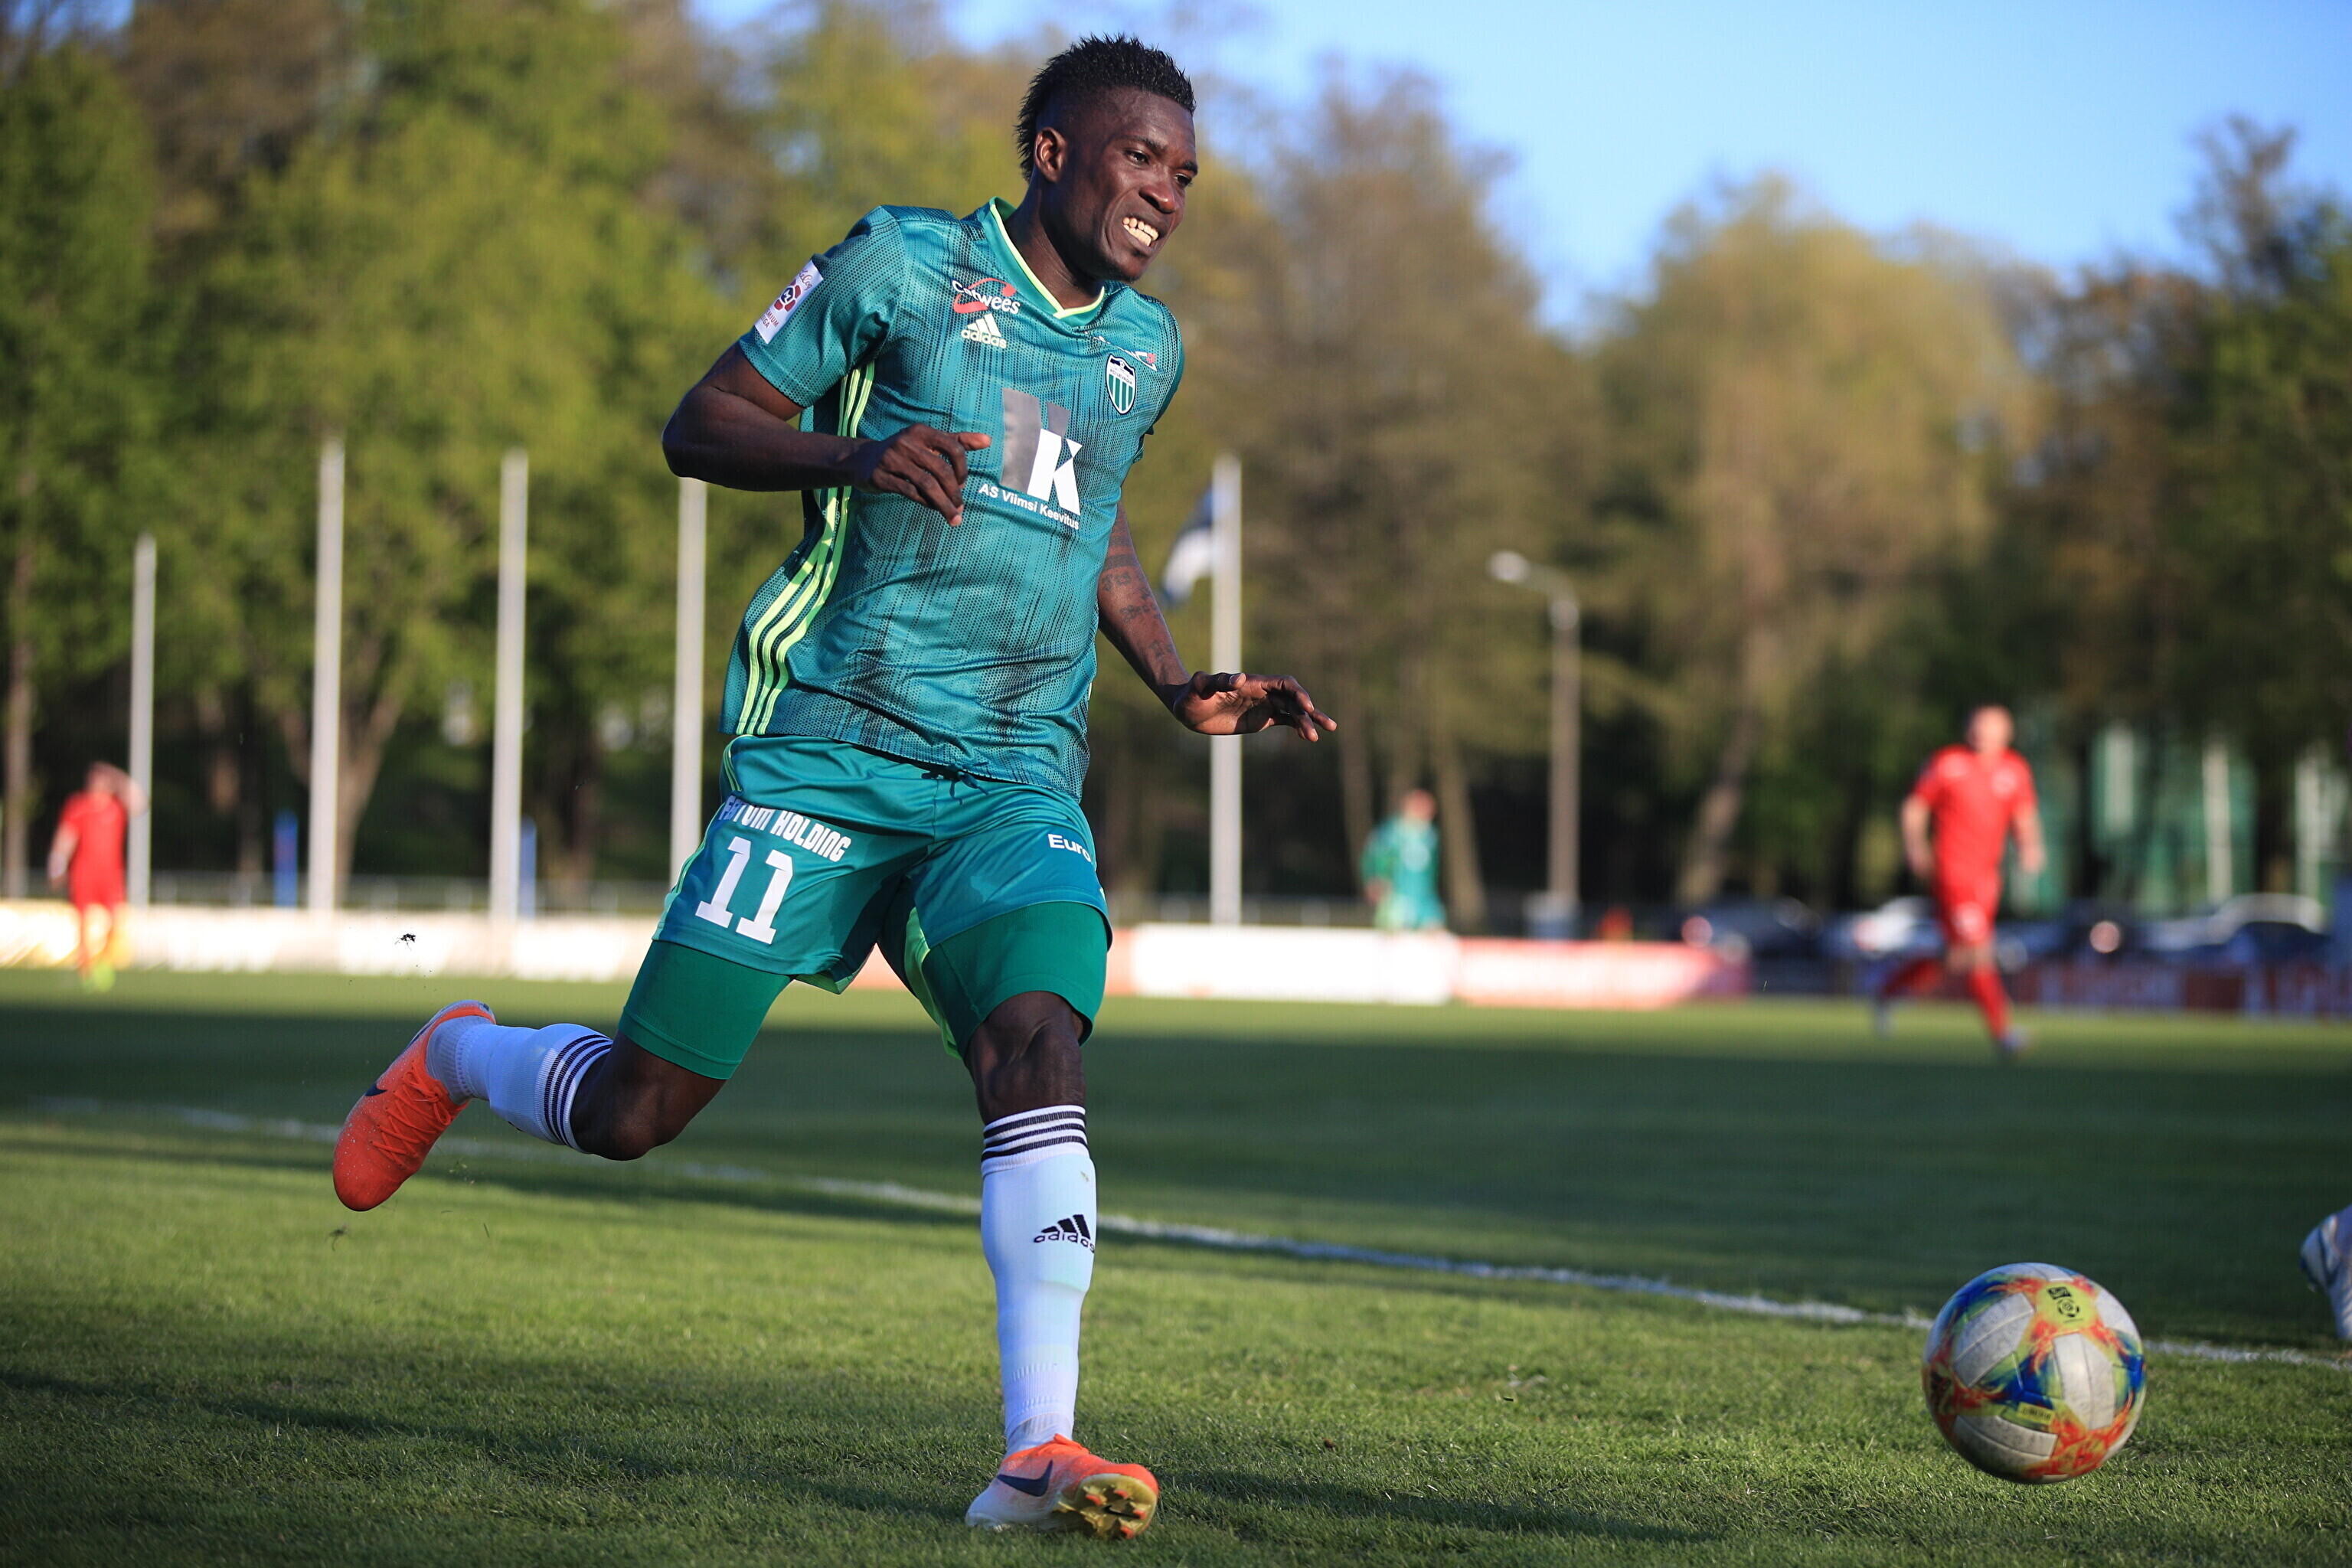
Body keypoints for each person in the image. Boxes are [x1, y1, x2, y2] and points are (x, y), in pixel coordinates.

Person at [331, 38, 1333, 1541]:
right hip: (830, 749)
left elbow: (1097, 517)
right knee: (636, 1110)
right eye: (1141, 158)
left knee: (1038, 1041)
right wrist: (858, 454)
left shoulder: (1146, 349)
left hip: (1011, 775)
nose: (1165, 195)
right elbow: (701, 421)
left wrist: (1177, 680)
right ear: (1052, 151)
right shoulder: (902, 268)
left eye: (1184, 174)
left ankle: (1036, 1446)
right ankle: (461, 1053)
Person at [1872, 705, 2045, 1060]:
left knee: (1956, 956)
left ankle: (1888, 992)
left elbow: (2024, 814)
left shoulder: (2015, 769)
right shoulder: (1948, 762)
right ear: (1968, 729)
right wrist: (1915, 845)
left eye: (1991, 727)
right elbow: (1915, 806)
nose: (1983, 733)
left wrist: (2030, 847)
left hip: (1987, 877)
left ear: (2006, 733)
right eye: (1977, 726)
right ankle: (2003, 1034)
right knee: (1979, 950)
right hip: (1954, 873)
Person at [46, 762, 145, 991]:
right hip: (84, 872)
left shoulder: (116, 807)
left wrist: (118, 777)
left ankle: (105, 960)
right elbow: (66, 837)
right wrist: (57, 866)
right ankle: (86, 967)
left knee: (116, 918)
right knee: (83, 921)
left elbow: (141, 802)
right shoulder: (78, 805)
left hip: (110, 873)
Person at [1359, 788, 1444, 932]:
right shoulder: (1390, 833)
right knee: (1394, 930)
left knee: (1434, 930)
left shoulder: (1430, 836)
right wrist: (1375, 879)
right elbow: (1374, 859)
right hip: (1395, 897)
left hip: (1423, 898)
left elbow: (1431, 871)